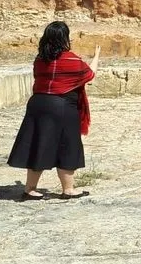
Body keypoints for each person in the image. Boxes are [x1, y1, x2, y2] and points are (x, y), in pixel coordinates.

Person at [7, 22, 100, 201]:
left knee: (38, 144)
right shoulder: (71, 60)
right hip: (62, 106)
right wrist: (96, 56)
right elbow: (90, 75)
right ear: (65, 38)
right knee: (67, 146)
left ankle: (30, 189)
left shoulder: (39, 60)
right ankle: (69, 189)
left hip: (37, 104)